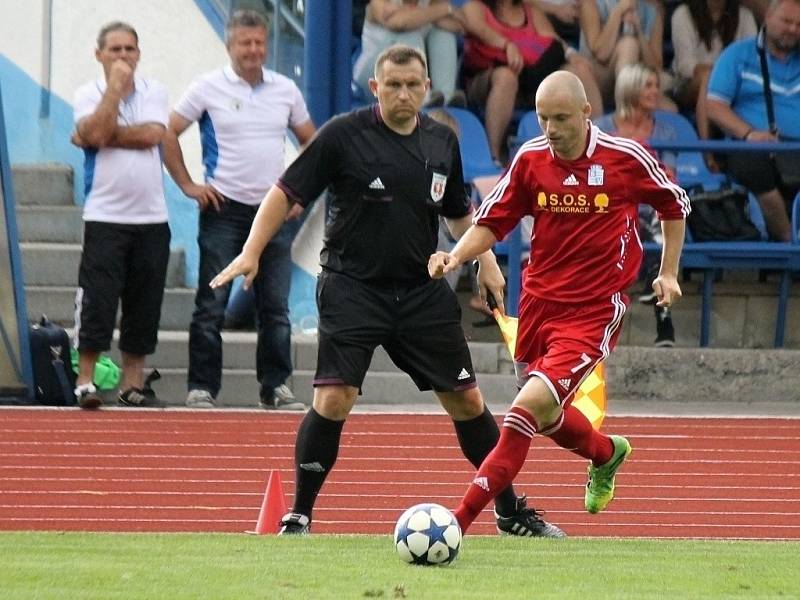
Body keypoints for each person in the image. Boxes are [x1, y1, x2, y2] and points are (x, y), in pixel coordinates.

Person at [210, 44, 565, 538]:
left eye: (412, 84)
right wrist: (251, 251)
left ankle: (508, 511)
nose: (403, 93)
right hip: (352, 288)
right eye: (392, 85)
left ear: (425, 87)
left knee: (467, 401)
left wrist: (485, 261)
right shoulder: (342, 135)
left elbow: (459, 212)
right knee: (334, 398)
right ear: (375, 87)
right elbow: (285, 192)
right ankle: (300, 513)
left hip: (422, 290)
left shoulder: (443, 140)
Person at [428, 70, 690, 535]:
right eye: (543, 118)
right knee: (545, 418)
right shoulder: (531, 160)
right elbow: (493, 221)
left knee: (522, 413)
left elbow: (673, 203)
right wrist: (456, 257)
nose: (550, 129)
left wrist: (668, 271)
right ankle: (607, 454)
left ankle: (456, 522)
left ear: (587, 113)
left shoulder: (624, 158)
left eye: (562, 118)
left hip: (594, 309)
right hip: (538, 302)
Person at [163, 10, 316, 409]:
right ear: (230, 45)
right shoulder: (207, 87)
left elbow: (313, 144)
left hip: (274, 212)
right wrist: (187, 185)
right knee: (211, 304)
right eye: (245, 43)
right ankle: (202, 387)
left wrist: (298, 195)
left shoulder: (285, 89)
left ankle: (276, 387)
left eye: (259, 42)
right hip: (224, 210)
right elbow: (168, 132)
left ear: (267, 44)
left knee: (276, 307)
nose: (253, 50)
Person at [70, 21, 170, 410]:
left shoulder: (154, 91)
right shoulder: (86, 92)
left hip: (151, 219)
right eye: (115, 50)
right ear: (99, 55)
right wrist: (112, 93)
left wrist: (103, 133)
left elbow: (152, 135)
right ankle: (85, 381)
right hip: (105, 216)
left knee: (144, 305)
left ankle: (132, 384)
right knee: (97, 301)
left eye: (130, 49)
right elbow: (94, 132)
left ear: (139, 53)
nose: (124, 57)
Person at [594, 63, 678, 346]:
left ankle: (663, 316)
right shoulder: (603, 128)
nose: (655, 92)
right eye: (648, 85)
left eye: (657, 85)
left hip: (648, 205)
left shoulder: (665, 131)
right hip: (611, 207)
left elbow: (669, 177)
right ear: (629, 88)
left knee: (663, 222)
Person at [461, 0, 604, 164]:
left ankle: (597, 143)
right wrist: (507, 45)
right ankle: (493, 157)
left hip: (530, 78)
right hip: (486, 78)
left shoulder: (530, 11)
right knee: (506, 78)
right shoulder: (475, 7)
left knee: (579, 71)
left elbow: (553, 40)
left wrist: (572, 55)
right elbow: (479, 28)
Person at [706, 0, 800, 242]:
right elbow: (714, 106)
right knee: (755, 169)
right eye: (787, 21)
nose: (793, 29)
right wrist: (750, 135)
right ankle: (791, 244)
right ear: (768, 17)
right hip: (752, 147)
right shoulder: (737, 55)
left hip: (795, 148)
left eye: (799, 24)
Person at [670, 0, 757, 144]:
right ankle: (706, 149)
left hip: (733, 84)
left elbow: (752, 58)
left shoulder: (745, 16)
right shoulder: (683, 14)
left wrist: (726, 76)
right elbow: (685, 65)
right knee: (708, 78)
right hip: (688, 84)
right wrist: (721, 74)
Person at [353, 0, 467, 106]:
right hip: (373, 76)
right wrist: (444, 9)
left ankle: (446, 96)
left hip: (404, 83)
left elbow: (458, 26)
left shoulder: (430, 3)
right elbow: (398, 23)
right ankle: (422, 97)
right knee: (409, 35)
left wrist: (412, 15)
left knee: (442, 34)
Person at [579, 0, 676, 110]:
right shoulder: (591, 3)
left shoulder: (652, 12)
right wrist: (619, 12)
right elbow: (601, 53)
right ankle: (627, 111)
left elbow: (655, 67)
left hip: (638, 82)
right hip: (598, 80)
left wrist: (639, 32)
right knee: (628, 45)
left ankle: (630, 104)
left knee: (670, 109)